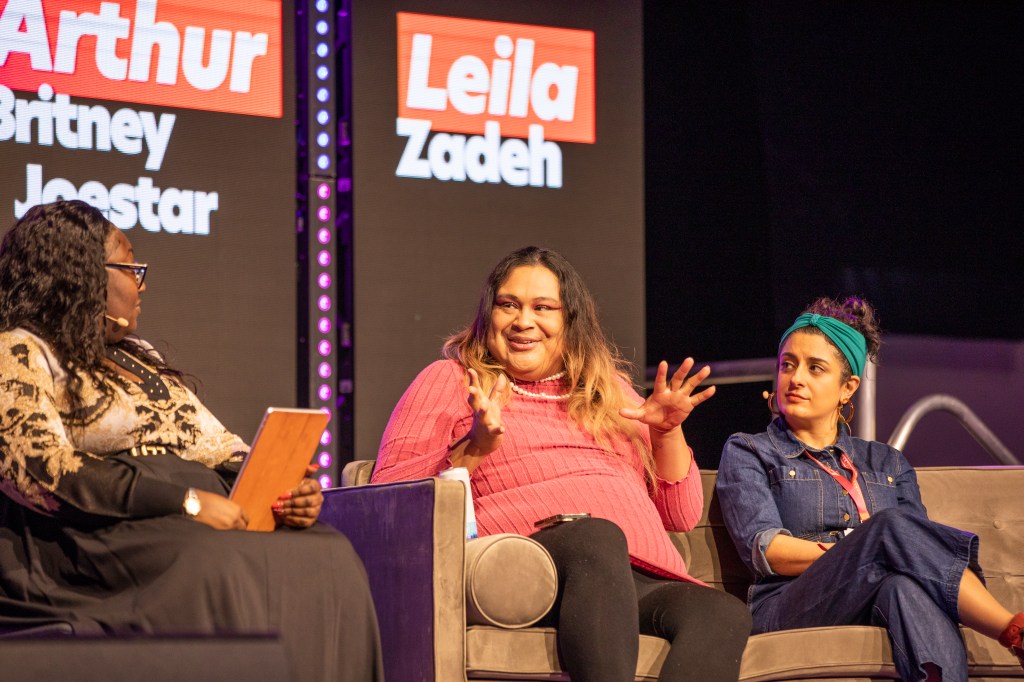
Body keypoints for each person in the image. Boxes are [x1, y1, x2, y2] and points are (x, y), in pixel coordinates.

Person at [0, 200, 384, 681]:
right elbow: (38, 470)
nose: (142, 284)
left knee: (330, 552)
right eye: (130, 267)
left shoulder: (139, 356)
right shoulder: (20, 349)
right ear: (82, 276)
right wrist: (185, 502)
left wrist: (284, 490)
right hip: (96, 534)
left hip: (190, 512)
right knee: (217, 561)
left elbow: (218, 446)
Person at [371, 246, 751, 681]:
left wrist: (666, 433)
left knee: (722, 613)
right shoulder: (451, 380)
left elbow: (680, 514)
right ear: (487, 314)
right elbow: (391, 504)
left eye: (543, 307)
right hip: (529, 567)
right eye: (508, 305)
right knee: (595, 536)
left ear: (571, 322)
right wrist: (474, 448)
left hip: (630, 572)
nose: (523, 321)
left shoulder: (609, 391)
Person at [716, 296, 1024, 682]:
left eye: (815, 369)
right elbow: (768, 550)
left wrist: (877, 556)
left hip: (876, 592)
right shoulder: (749, 450)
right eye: (788, 365)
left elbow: (918, 552)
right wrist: (860, 551)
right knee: (887, 531)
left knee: (903, 585)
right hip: (787, 604)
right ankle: (1013, 631)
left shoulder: (889, 463)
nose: (796, 378)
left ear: (848, 388)